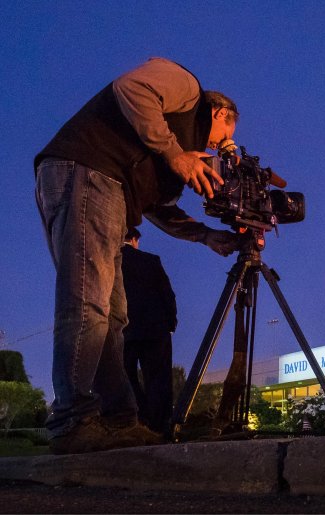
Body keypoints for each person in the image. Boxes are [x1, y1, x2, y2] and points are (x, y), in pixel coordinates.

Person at [35, 57, 241, 454]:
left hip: (111, 191)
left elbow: (158, 209)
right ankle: (72, 419)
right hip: (87, 169)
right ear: (218, 112)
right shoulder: (186, 88)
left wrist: (206, 236)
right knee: (87, 303)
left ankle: (119, 419)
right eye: (222, 137)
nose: (219, 148)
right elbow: (131, 88)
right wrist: (174, 154)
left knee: (113, 317)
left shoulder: (172, 151)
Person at [121, 228, 176, 435]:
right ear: (134, 239)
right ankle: (161, 425)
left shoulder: (112, 261)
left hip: (125, 329)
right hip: (156, 328)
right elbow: (167, 294)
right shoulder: (151, 261)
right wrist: (171, 323)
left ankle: (139, 417)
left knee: (125, 376)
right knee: (158, 378)